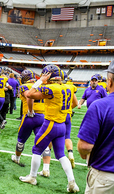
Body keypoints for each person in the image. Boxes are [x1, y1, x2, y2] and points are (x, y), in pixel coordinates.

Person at [19, 65, 79, 193]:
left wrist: (41, 80)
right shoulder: (68, 87)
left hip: (50, 124)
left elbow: (29, 94)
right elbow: (74, 104)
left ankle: (32, 177)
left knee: (36, 149)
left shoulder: (50, 88)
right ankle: (72, 182)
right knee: (61, 155)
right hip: (62, 124)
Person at [77, 60, 114, 194]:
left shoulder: (101, 105)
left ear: (109, 81)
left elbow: (85, 146)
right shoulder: (90, 93)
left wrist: (83, 154)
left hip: (106, 174)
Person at [11, 70, 48, 172]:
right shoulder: (42, 85)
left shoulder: (25, 86)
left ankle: (17, 158)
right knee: (42, 141)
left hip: (29, 116)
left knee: (21, 140)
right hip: (42, 116)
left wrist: (30, 111)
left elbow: (29, 96)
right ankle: (46, 168)